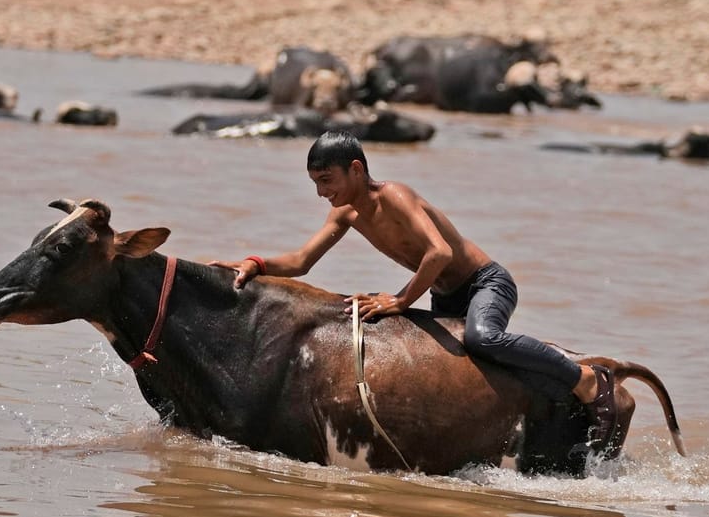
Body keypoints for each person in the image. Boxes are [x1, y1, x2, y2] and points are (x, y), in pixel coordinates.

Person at [210, 131, 620, 453]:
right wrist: (255, 264)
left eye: (327, 180)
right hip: (444, 295)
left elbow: (439, 252)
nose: (321, 192)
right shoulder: (347, 213)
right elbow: (301, 261)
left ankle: (585, 380)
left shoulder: (395, 196)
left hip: (485, 283)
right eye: (315, 183)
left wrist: (401, 301)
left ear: (355, 169)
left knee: (483, 338)